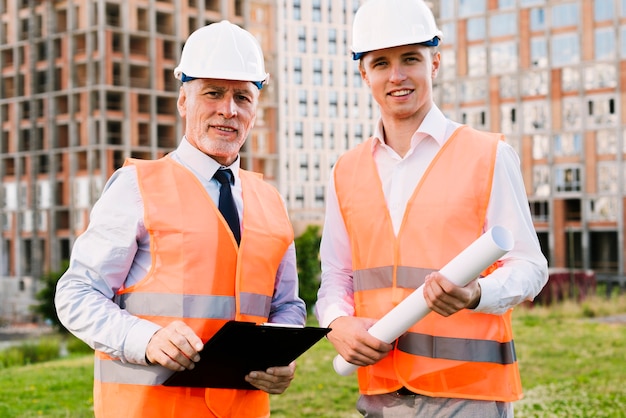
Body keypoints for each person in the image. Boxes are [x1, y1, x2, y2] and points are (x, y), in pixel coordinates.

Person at [55, 20, 306, 418]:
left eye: (242, 96)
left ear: (256, 107)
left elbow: (287, 306)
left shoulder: (270, 200)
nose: (229, 109)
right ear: (183, 101)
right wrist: (146, 338)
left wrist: (284, 357)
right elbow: (76, 295)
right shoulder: (135, 186)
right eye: (213, 93)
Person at [314, 0, 549, 417]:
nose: (397, 75)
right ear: (363, 73)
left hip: (470, 395)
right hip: (381, 395)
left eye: (411, 59)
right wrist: (337, 322)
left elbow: (530, 265)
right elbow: (336, 273)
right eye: (381, 63)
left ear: (435, 64)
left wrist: (477, 294)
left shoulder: (488, 154)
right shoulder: (346, 170)